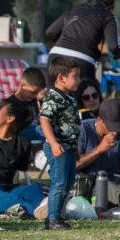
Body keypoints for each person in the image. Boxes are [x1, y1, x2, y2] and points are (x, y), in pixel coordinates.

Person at [45, 0, 120, 83]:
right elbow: (113, 46)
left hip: (55, 56)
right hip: (82, 59)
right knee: (85, 95)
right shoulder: (108, 16)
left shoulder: (74, 9)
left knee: (52, 94)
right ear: (111, 5)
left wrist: (63, 46)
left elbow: (50, 32)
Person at [39, 57, 80, 230]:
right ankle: (53, 219)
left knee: (68, 183)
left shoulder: (69, 98)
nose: (78, 80)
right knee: (59, 182)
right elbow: (44, 120)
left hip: (69, 148)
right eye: (75, 76)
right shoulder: (52, 97)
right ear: (62, 77)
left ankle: (57, 216)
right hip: (58, 148)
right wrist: (54, 143)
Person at [5, 68, 46, 141]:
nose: (35, 96)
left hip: (35, 132)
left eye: (38, 93)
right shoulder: (9, 104)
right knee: (41, 129)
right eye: (33, 92)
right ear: (22, 85)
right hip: (19, 135)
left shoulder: (34, 100)